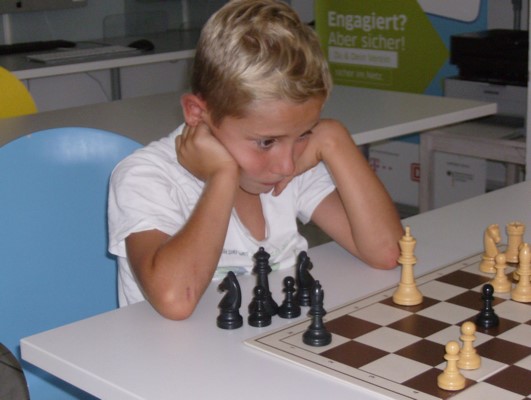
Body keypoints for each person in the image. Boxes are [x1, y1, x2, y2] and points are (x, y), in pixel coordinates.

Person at [108, 0, 404, 320]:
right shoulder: (146, 176)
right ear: (197, 113)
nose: (287, 166)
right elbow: (176, 301)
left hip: (270, 342)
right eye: (266, 142)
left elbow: (386, 252)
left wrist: (334, 138)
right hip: (174, 353)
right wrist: (222, 176)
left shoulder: (288, 158)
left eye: (305, 133)